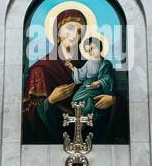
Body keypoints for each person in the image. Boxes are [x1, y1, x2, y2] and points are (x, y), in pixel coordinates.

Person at [22, 9, 116, 143]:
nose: (73, 36)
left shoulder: (90, 63)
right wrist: (50, 100)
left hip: (90, 132)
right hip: (53, 137)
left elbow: (107, 88)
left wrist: (112, 100)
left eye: (79, 32)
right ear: (57, 31)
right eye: (69, 29)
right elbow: (27, 112)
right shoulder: (41, 69)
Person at [64, 36, 115, 121]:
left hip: (98, 88)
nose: (91, 52)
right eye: (88, 51)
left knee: (88, 97)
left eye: (92, 48)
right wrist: (72, 68)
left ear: (99, 47)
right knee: (76, 98)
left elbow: (108, 78)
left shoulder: (106, 63)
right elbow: (81, 74)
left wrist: (99, 82)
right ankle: (81, 119)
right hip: (87, 86)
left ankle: (89, 118)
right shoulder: (88, 63)